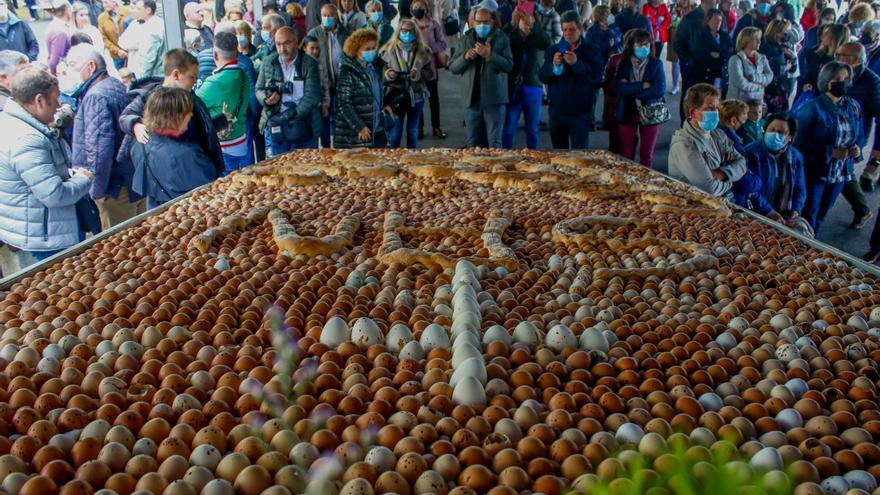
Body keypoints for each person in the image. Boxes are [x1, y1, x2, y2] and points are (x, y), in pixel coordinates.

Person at [0, 67, 93, 273]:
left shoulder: (14, 123)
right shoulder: (26, 140)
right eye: (56, 99)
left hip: (34, 230)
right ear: (39, 100)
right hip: (43, 240)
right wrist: (83, 180)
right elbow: (54, 195)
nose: (59, 106)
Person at [58, 44, 143, 231]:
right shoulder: (113, 83)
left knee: (121, 247)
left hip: (115, 188)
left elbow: (98, 151)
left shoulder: (95, 97)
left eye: (72, 64)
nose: (67, 71)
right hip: (130, 180)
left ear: (91, 66)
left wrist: (96, 190)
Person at [119, 49, 224, 179]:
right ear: (176, 74)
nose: (196, 81)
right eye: (192, 76)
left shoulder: (192, 97)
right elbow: (125, 116)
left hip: (197, 164)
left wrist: (221, 121)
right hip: (178, 175)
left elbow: (200, 129)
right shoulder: (151, 97)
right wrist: (134, 124)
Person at [795, 61, 862, 232]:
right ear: (826, 82)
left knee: (823, 213)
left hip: (841, 172)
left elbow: (857, 134)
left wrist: (856, 149)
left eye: (846, 79)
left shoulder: (853, 106)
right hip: (817, 171)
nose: (843, 83)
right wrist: (829, 152)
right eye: (838, 79)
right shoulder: (811, 108)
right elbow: (798, 145)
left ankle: (812, 242)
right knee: (810, 213)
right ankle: (805, 246)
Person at [131, 88, 218, 210]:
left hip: (157, 213)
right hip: (189, 214)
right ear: (176, 117)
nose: (191, 114)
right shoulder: (186, 154)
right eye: (188, 112)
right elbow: (212, 184)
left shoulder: (139, 142)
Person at [449, 7, 513, 148]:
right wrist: (465, 57)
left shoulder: (502, 38)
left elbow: (509, 66)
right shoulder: (465, 38)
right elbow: (452, 67)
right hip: (471, 100)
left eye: (485, 22)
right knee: (472, 144)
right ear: (473, 22)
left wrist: (490, 56)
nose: (481, 25)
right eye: (478, 21)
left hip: (494, 100)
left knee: (495, 143)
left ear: (492, 22)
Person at [669, 83, 747, 197]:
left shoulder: (718, 134)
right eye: (710, 108)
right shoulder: (684, 144)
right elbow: (709, 189)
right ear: (692, 113)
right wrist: (731, 181)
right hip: (693, 207)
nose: (716, 113)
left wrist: (721, 173)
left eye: (717, 108)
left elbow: (742, 163)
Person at [736, 112, 809, 233]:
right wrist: (768, 211)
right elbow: (750, 189)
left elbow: (800, 188)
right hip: (756, 213)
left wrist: (796, 210)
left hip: (785, 215)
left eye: (781, 132)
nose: (775, 134)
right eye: (772, 130)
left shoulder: (795, 157)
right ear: (765, 130)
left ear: (790, 137)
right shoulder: (751, 153)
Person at [540, 11, 603, 149]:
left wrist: (577, 64)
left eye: (572, 29)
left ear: (580, 29)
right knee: (558, 154)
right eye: (565, 30)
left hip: (580, 111)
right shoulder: (553, 50)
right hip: (557, 111)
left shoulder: (592, 50)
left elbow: (597, 78)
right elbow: (543, 76)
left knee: (579, 155)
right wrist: (555, 67)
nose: (568, 33)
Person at [257, 27, 322, 155]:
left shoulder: (309, 63)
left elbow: (312, 96)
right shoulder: (268, 62)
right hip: (276, 123)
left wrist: (292, 114)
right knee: (278, 168)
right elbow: (258, 89)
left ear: (296, 42)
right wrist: (266, 98)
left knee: (307, 168)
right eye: (278, 44)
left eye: (286, 43)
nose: (282, 48)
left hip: (304, 123)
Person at [834, 41, 879, 228]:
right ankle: (862, 209)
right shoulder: (835, 71)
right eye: (838, 54)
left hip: (853, 138)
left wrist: (875, 154)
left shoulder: (872, 82)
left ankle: (862, 209)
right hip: (832, 131)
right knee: (841, 171)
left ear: (857, 60)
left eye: (843, 55)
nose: (838, 58)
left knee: (843, 172)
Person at [196, 31, 251, 173]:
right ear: (237, 52)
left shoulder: (214, 82)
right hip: (242, 140)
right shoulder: (243, 74)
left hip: (224, 147)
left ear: (215, 54)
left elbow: (192, 105)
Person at [614, 28, 666, 167]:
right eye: (639, 44)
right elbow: (618, 87)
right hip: (628, 111)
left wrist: (631, 89)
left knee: (646, 154)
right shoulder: (624, 64)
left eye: (646, 44)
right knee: (626, 154)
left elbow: (659, 90)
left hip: (651, 111)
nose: (643, 48)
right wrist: (642, 85)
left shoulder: (656, 64)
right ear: (632, 46)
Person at [380, 19, 434, 149]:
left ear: (415, 33)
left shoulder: (423, 51)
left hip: (416, 95)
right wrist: (388, 73)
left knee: (412, 130)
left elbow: (430, 73)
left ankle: (411, 159)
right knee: (396, 131)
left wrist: (418, 74)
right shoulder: (388, 50)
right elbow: (379, 70)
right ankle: (394, 158)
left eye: (410, 31)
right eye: (404, 31)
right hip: (395, 95)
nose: (407, 33)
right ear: (398, 32)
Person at [502, 10, 550, 149]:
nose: (527, 25)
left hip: (533, 86)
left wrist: (535, 28)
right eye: (524, 21)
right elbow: (501, 38)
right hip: (514, 87)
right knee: (509, 126)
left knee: (532, 128)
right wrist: (511, 24)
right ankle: (506, 154)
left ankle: (533, 156)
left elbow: (548, 42)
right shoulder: (512, 36)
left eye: (530, 23)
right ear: (519, 21)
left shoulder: (538, 38)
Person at [334, 28, 389, 148]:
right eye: (367, 49)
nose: (372, 51)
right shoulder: (347, 71)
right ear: (355, 50)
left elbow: (377, 91)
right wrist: (360, 127)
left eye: (374, 48)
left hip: (377, 129)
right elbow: (344, 104)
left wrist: (385, 103)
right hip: (355, 135)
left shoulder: (376, 67)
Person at [674, 0, 718, 120]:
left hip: (710, 68)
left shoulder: (718, 16)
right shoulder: (690, 18)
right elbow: (678, 42)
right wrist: (688, 61)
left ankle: (701, 127)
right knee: (690, 98)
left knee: (707, 99)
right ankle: (686, 127)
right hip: (692, 67)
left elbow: (723, 37)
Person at [413, 0, 447, 139]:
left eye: (420, 7)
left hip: (430, 67)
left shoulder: (434, 24)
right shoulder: (409, 24)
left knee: (433, 99)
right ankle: (419, 127)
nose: (417, 10)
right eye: (415, 8)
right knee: (417, 98)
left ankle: (436, 126)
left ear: (426, 9)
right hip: (415, 67)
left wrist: (429, 46)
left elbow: (442, 43)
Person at [797, 22, 847, 98]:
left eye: (827, 33)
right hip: (810, 96)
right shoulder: (818, 54)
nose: (822, 36)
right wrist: (806, 83)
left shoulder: (840, 63)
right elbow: (810, 73)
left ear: (835, 38)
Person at [118, 0, 166, 79]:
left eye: (139, 9)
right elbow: (121, 41)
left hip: (153, 76)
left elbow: (149, 59)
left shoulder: (155, 27)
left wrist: (142, 80)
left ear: (148, 10)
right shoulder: (135, 23)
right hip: (140, 72)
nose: (135, 11)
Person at [726, 26, 772, 102]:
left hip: (757, 102)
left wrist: (754, 77)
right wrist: (759, 87)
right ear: (746, 40)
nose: (759, 42)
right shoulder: (735, 60)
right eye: (756, 39)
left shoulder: (762, 58)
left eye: (759, 39)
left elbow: (770, 76)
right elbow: (741, 83)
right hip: (738, 104)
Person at [761, 19, 797, 112]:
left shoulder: (784, 47)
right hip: (770, 89)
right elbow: (769, 69)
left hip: (782, 88)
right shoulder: (766, 47)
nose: (788, 34)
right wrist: (785, 68)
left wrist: (793, 57)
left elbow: (793, 69)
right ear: (776, 32)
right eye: (785, 32)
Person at [692, 8, 733, 89]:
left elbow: (731, 52)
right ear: (708, 20)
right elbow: (696, 54)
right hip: (704, 75)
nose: (718, 23)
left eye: (720, 20)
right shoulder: (700, 36)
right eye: (715, 20)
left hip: (721, 75)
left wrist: (720, 55)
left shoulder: (725, 36)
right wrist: (708, 55)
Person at [303, 35, 332, 132]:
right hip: (305, 108)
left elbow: (325, 87)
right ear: (304, 48)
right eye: (312, 48)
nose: (315, 51)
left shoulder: (320, 65)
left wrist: (325, 105)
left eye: (317, 48)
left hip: (319, 105)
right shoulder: (300, 65)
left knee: (325, 135)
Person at [97, 0, 129, 69]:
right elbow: (104, 39)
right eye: (102, 3)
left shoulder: (128, 12)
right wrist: (117, 51)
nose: (103, 5)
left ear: (114, 2)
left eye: (106, 2)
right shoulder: (101, 18)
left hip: (131, 53)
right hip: (116, 56)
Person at [46, 0, 73, 74]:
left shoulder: (53, 25)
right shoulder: (60, 32)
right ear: (68, 11)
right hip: (62, 73)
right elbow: (55, 61)